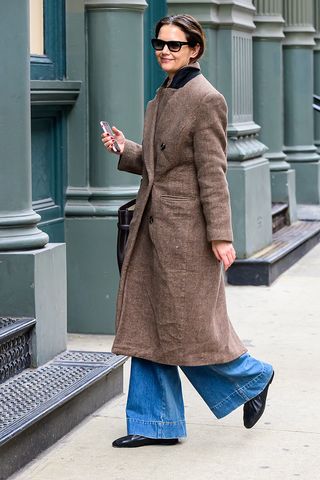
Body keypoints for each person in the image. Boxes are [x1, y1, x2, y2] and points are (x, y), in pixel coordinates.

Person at [101, 14, 274, 448]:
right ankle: (153, 424)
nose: (164, 50)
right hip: (152, 226)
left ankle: (253, 377)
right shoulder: (161, 96)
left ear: (194, 49)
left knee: (189, 329)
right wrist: (127, 149)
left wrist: (221, 234)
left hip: (185, 233)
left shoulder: (205, 98)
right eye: (158, 43)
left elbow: (212, 172)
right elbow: (163, 165)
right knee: (147, 325)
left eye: (174, 45)